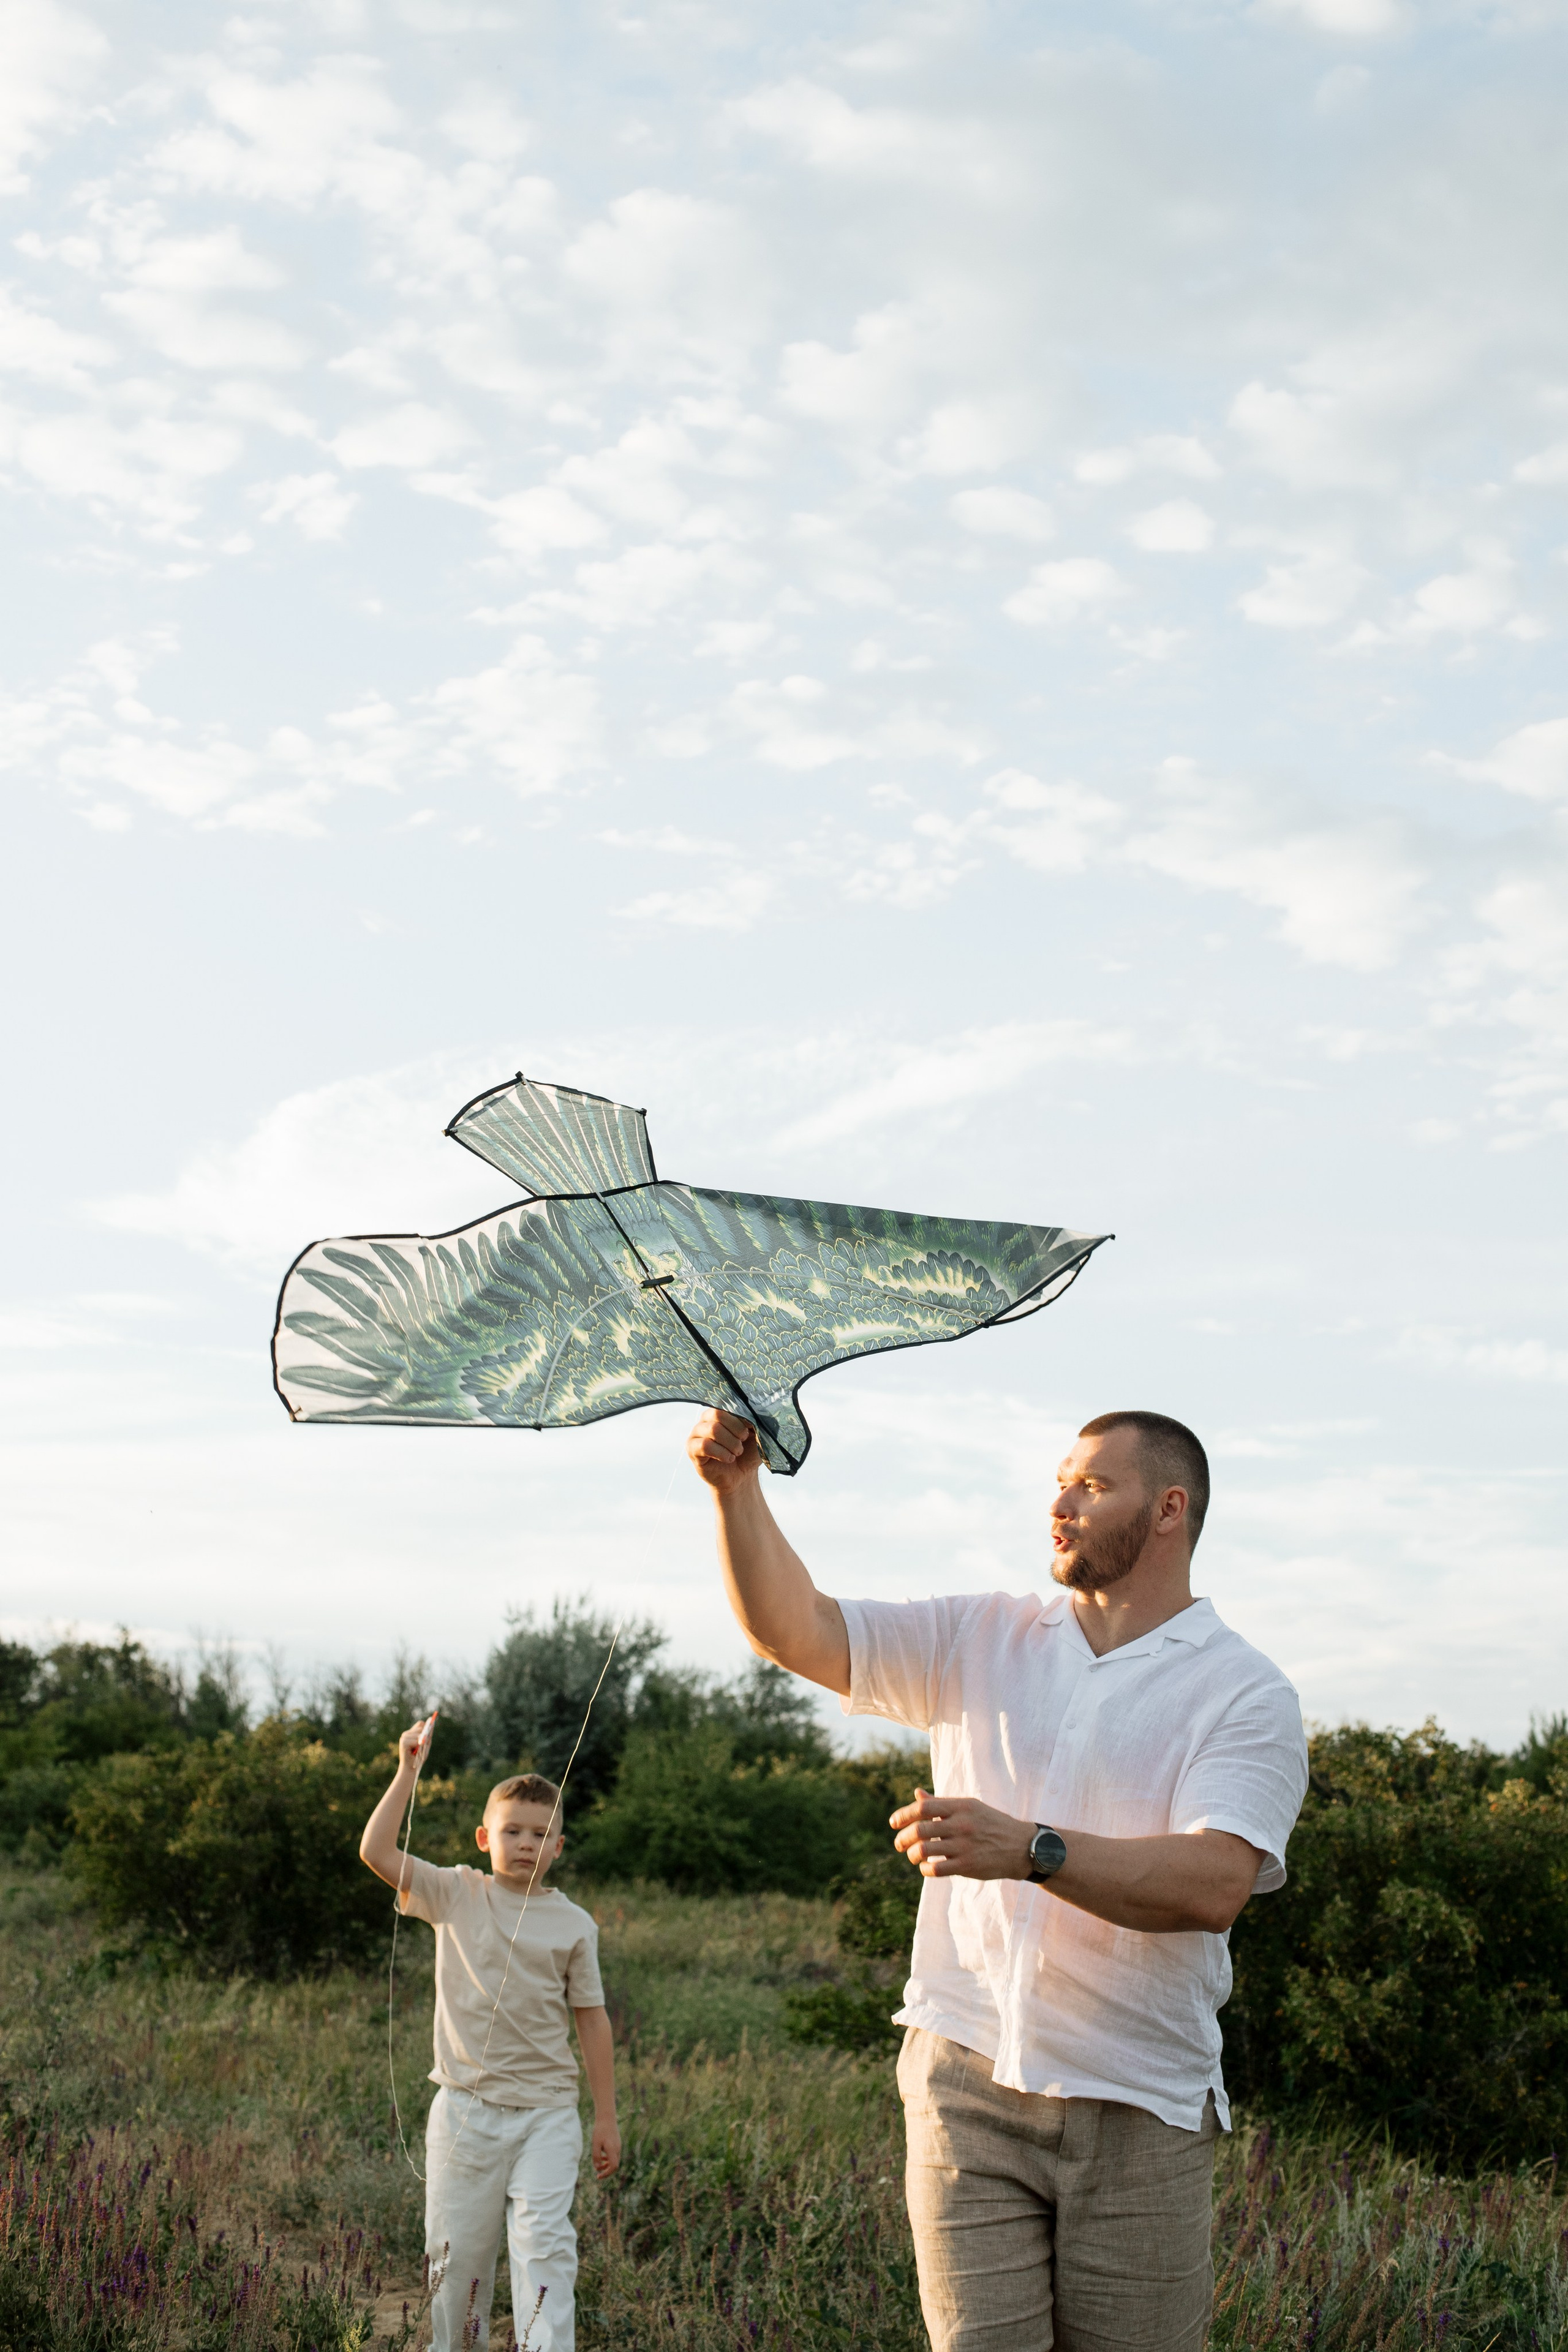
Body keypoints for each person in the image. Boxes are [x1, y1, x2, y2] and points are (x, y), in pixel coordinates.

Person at [687, 1404, 1308, 2352]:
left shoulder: (1245, 1691)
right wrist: (738, 1496)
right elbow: (797, 1630)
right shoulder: (981, 1635)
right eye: (1062, 1480)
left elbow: (1212, 1883)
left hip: (1138, 2105)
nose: (1060, 1502)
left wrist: (1032, 1849)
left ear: (1171, 1508)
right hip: (963, 2077)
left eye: (1094, 1485)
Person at [360, 1741, 620, 2352]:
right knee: (456, 2262)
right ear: (485, 1838)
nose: (526, 1844)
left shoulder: (576, 1925)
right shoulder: (456, 1892)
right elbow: (375, 1851)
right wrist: (407, 1770)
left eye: (540, 1834)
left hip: (548, 2116)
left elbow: (593, 2021)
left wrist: (605, 2116)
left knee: (546, 2250)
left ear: (558, 1847)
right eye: (513, 1831)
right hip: (463, 2113)